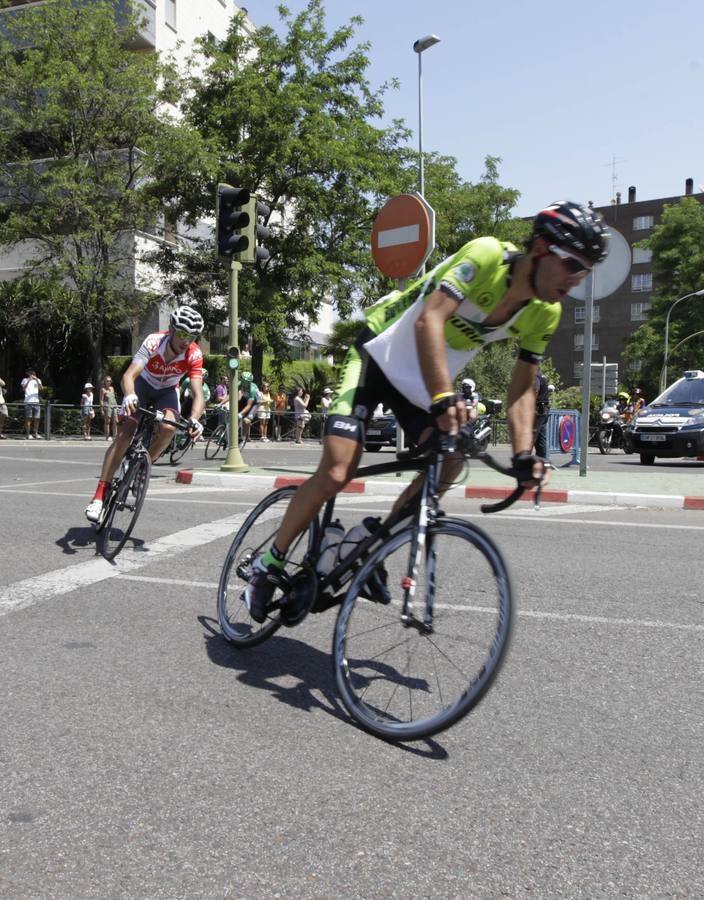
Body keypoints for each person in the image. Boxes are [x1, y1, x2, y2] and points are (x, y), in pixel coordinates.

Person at [243, 200, 609, 622]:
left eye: (585, 272)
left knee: (450, 461)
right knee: (339, 470)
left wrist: (524, 453)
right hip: (379, 354)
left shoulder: (545, 312)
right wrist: (442, 398)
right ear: (542, 247)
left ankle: (369, 540)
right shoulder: (487, 255)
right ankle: (268, 563)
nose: (576, 280)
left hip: (422, 381)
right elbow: (429, 321)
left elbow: (523, 385)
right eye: (573, 266)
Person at [85, 305, 206, 522]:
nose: (186, 341)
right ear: (171, 329)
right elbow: (129, 375)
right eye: (182, 334)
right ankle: (99, 494)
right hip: (143, 385)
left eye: (192, 336)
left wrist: (195, 420)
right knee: (125, 433)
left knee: (170, 427)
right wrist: (130, 395)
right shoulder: (153, 342)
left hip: (167, 392)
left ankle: (142, 466)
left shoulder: (194, 353)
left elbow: (198, 393)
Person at [532, 370, 550, 458]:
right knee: (540, 439)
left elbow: (535, 391)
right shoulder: (542, 376)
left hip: (537, 410)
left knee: (531, 437)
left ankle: (523, 463)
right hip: (543, 410)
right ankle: (542, 461)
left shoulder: (535, 377)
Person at [21, 369, 42, 439]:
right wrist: (29, 380)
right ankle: (28, 434)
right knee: (28, 418)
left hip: (36, 401)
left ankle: (35, 433)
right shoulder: (24, 380)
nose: (32, 375)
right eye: (30, 374)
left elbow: (41, 388)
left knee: (37, 418)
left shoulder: (38, 380)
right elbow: (23, 388)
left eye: (33, 374)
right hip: (28, 402)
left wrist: (36, 380)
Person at [238, 371, 259, 441]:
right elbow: (231, 396)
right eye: (243, 381)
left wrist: (240, 414)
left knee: (246, 420)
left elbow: (249, 405)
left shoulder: (253, 389)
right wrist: (221, 404)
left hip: (254, 403)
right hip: (245, 399)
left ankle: (244, 436)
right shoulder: (239, 384)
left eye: (246, 382)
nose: (244, 383)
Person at [100, 375, 119, 442]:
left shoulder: (112, 388)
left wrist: (117, 406)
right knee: (107, 422)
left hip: (114, 406)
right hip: (107, 406)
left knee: (115, 421)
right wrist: (101, 409)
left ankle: (115, 436)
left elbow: (114, 398)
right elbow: (101, 400)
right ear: (104, 382)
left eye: (110, 381)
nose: (109, 382)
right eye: (107, 381)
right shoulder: (103, 389)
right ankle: (107, 436)